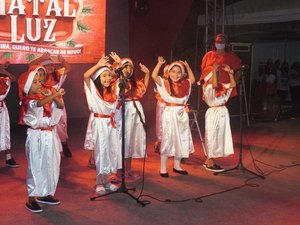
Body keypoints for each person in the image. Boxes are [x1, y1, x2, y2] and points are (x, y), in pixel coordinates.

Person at [18, 66, 65, 213]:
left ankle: (45, 193)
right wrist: (54, 93)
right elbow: (37, 104)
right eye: (35, 82)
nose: (40, 84)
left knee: (50, 164)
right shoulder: (27, 100)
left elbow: (60, 106)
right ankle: (31, 198)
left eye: (40, 81)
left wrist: (55, 96)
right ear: (27, 86)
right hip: (36, 136)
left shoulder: (46, 95)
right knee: (36, 165)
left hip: (49, 135)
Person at [83, 56, 122, 194]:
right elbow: (86, 76)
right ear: (98, 78)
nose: (107, 78)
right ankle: (99, 182)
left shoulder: (113, 91)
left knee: (110, 151)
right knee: (101, 151)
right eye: (103, 76)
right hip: (99, 123)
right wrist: (98, 64)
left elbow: (120, 77)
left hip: (110, 124)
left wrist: (118, 64)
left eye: (108, 76)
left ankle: (107, 181)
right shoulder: (93, 90)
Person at [152, 56, 195, 178]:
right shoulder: (165, 83)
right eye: (173, 72)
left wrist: (187, 66)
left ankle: (177, 166)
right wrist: (159, 63)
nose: (176, 75)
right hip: (170, 114)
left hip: (181, 114)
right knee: (168, 140)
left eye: (178, 72)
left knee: (181, 140)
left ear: (182, 74)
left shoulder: (185, 83)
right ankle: (163, 168)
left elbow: (192, 79)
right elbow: (154, 76)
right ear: (169, 72)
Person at [110, 52, 150, 179]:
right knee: (119, 139)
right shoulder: (117, 82)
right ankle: (115, 170)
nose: (128, 70)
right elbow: (116, 90)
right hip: (122, 110)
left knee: (130, 139)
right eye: (125, 67)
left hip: (134, 111)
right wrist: (118, 64)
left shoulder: (136, 82)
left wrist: (147, 74)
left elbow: (143, 89)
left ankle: (128, 169)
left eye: (130, 68)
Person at [29, 53, 72, 157]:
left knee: (61, 125)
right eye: (47, 65)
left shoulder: (57, 74)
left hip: (57, 103)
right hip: (45, 103)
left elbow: (68, 68)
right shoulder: (39, 77)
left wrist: (62, 60)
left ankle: (64, 144)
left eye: (52, 65)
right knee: (48, 124)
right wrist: (41, 58)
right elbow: (30, 66)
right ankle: (52, 147)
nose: (50, 67)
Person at [199, 63, 236, 172]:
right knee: (212, 136)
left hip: (222, 113)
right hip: (214, 113)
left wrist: (230, 74)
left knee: (219, 137)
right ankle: (209, 161)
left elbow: (233, 84)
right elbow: (214, 85)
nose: (216, 76)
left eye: (217, 74)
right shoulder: (207, 87)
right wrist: (214, 70)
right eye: (214, 74)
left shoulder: (221, 86)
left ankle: (211, 160)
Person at [201, 33, 241, 112]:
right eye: (218, 41)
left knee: (226, 113)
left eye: (222, 42)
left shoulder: (231, 55)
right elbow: (203, 72)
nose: (219, 43)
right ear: (215, 42)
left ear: (226, 43)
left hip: (225, 91)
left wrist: (232, 84)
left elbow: (238, 71)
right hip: (211, 90)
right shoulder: (208, 55)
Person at [0, 62, 19, 168]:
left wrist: (3, 70)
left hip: (2, 109)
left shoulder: (3, 78)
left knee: (5, 131)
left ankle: (8, 157)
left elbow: (13, 79)